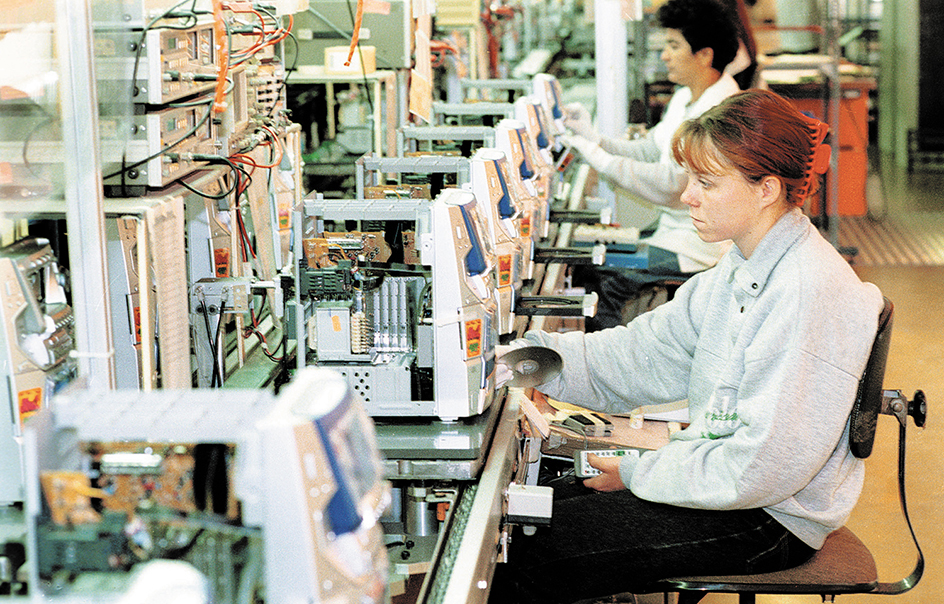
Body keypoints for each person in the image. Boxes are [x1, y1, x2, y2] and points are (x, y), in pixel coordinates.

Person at [489, 89, 885, 604]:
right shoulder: (743, 266)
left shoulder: (807, 290)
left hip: (769, 520)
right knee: (530, 509)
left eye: (706, 182)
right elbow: (644, 354)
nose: (687, 197)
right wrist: (529, 358)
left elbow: (763, 467)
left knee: (528, 551)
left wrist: (638, 472)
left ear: (766, 189)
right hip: (730, 484)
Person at [564, 0, 743, 331]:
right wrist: (595, 138)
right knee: (586, 259)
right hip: (673, 231)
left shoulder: (720, 111)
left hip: (697, 247)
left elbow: (675, 182)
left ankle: (611, 371)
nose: (664, 56)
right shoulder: (685, 98)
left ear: (704, 55)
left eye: (674, 46)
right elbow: (650, 150)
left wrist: (599, 158)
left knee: (608, 279)